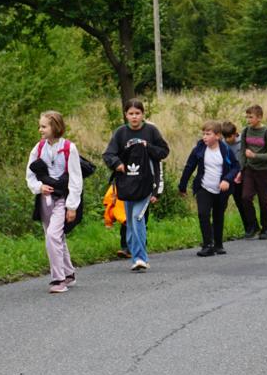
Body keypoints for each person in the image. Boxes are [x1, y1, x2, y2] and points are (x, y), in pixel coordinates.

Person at [103, 99, 169, 271]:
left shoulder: (151, 131)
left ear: (143, 114)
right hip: (127, 184)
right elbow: (108, 154)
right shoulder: (120, 133)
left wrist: (148, 147)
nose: (134, 117)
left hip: (146, 183)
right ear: (126, 115)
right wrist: (117, 163)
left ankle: (140, 258)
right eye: (131, 113)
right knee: (130, 223)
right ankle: (135, 254)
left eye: (137, 113)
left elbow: (164, 151)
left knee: (137, 218)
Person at [26, 111, 83, 293]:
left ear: (55, 127)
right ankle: (69, 273)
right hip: (44, 201)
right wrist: (38, 187)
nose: (40, 129)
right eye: (40, 126)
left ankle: (58, 279)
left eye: (44, 126)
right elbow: (30, 174)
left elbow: (76, 179)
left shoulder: (69, 148)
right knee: (56, 237)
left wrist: (72, 206)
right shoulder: (38, 148)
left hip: (62, 199)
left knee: (52, 236)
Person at [178, 121, 240, 256]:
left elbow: (236, 166)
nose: (204, 137)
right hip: (204, 187)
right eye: (203, 134)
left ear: (217, 136)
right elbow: (189, 167)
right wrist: (182, 186)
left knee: (218, 216)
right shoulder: (199, 149)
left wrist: (227, 179)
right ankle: (207, 245)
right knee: (203, 214)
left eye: (208, 134)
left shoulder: (225, 150)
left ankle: (218, 245)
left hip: (221, 189)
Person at [240, 104, 267, 240]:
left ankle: (266, 229)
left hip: (265, 171)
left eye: (251, 117)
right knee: (245, 197)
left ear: (259, 118)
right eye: (247, 117)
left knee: (263, 201)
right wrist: (241, 169)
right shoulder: (245, 131)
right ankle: (253, 226)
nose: (248, 120)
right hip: (250, 169)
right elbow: (242, 152)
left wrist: (255, 156)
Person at [222, 121, 255, 239]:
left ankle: (253, 227)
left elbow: (247, 159)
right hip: (230, 177)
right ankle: (248, 228)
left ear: (235, 134)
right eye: (225, 137)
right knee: (238, 203)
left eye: (229, 137)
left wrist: (241, 172)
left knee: (244, 201)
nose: (227, 139)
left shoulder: (243, 142)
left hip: (243, 175)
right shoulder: (223, 144)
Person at [102, 182, 129, 259]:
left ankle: (139, 248)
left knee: (139, 223)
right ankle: (125, 248)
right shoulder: (117, 181)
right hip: (123, 204)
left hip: (138, 194)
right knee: (125, 225)